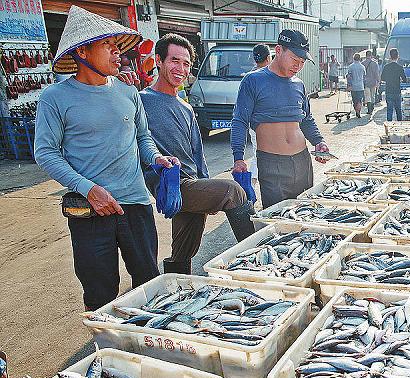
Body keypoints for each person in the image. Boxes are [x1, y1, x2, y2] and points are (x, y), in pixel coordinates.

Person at [34, 5, 178, 310]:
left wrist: (156, 159)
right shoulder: (55, 98)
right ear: (83, 52)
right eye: (107, 46)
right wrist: (88, 188)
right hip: (90, 209)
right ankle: (106, 352)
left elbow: (142, 138)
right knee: (100, 292)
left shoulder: (128, 93)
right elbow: (45, 153)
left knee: (149, 284)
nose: (117, 54)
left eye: (117, 46)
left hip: (135, 204)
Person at [140, 34, 255, 275]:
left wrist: (206, 186)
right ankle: (257, 257)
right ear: (158, 60)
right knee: (232, 192)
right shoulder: (140, 101)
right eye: (174, 61)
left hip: (191, 183)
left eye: (186, 63)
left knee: (184, 249)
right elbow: (137, 141)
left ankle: (174, 288)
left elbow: (197, 153)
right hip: (169, 184)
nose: (180, 69)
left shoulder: (186, 107)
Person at [230, 29, 329, 209]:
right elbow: (240, 120)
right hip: (272, 164)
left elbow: (306, 119)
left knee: (306, 214)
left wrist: (318, 141)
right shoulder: (253, 81)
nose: (298, 66)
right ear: (278, 50)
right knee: (277, 220)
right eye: (294, 59)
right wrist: (238, 157)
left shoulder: (299, 84)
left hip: (302, 162)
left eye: (302, 62)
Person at [381, 48, 406, 122]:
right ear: (398, 56)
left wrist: (388, 79)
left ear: (390, 56)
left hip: (388, 90)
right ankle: (399, 124)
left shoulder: (386, 67)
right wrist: (400, 79)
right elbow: (405, 79)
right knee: (398, 109)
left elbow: (382, 78)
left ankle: (389, 125)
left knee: (389, 109)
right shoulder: (400, 67)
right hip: (397, 91)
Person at [347, 53, 366, 118]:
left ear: (353, 58)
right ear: (360, 58)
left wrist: (349, 85)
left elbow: (349, 77)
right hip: (361, 86)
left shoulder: (350, 67)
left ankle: (356, 111)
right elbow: (364, 77)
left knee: (354, 100)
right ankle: (359, 112)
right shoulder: (362, 67)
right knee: (359, 100)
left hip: (353, 86)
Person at [362, 50, 380, 115]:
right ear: (371, 55)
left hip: (366, 82)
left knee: (367, 96)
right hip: (373, 82)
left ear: (366, 55)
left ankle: (369, 109)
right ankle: (372, 108)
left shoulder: (363, 63)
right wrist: (378, 81)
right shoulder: (375, 63)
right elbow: (377, 74)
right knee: (373, 96)